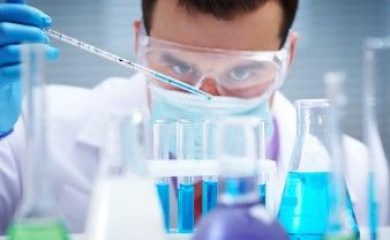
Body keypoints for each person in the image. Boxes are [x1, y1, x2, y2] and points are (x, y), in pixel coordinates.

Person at [0, 0, 388, 234]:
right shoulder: (31, 131)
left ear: (288, 57)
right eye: (177, 67)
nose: (205, 95)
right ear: (139, 42)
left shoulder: (352, 170)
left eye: (241, 72)